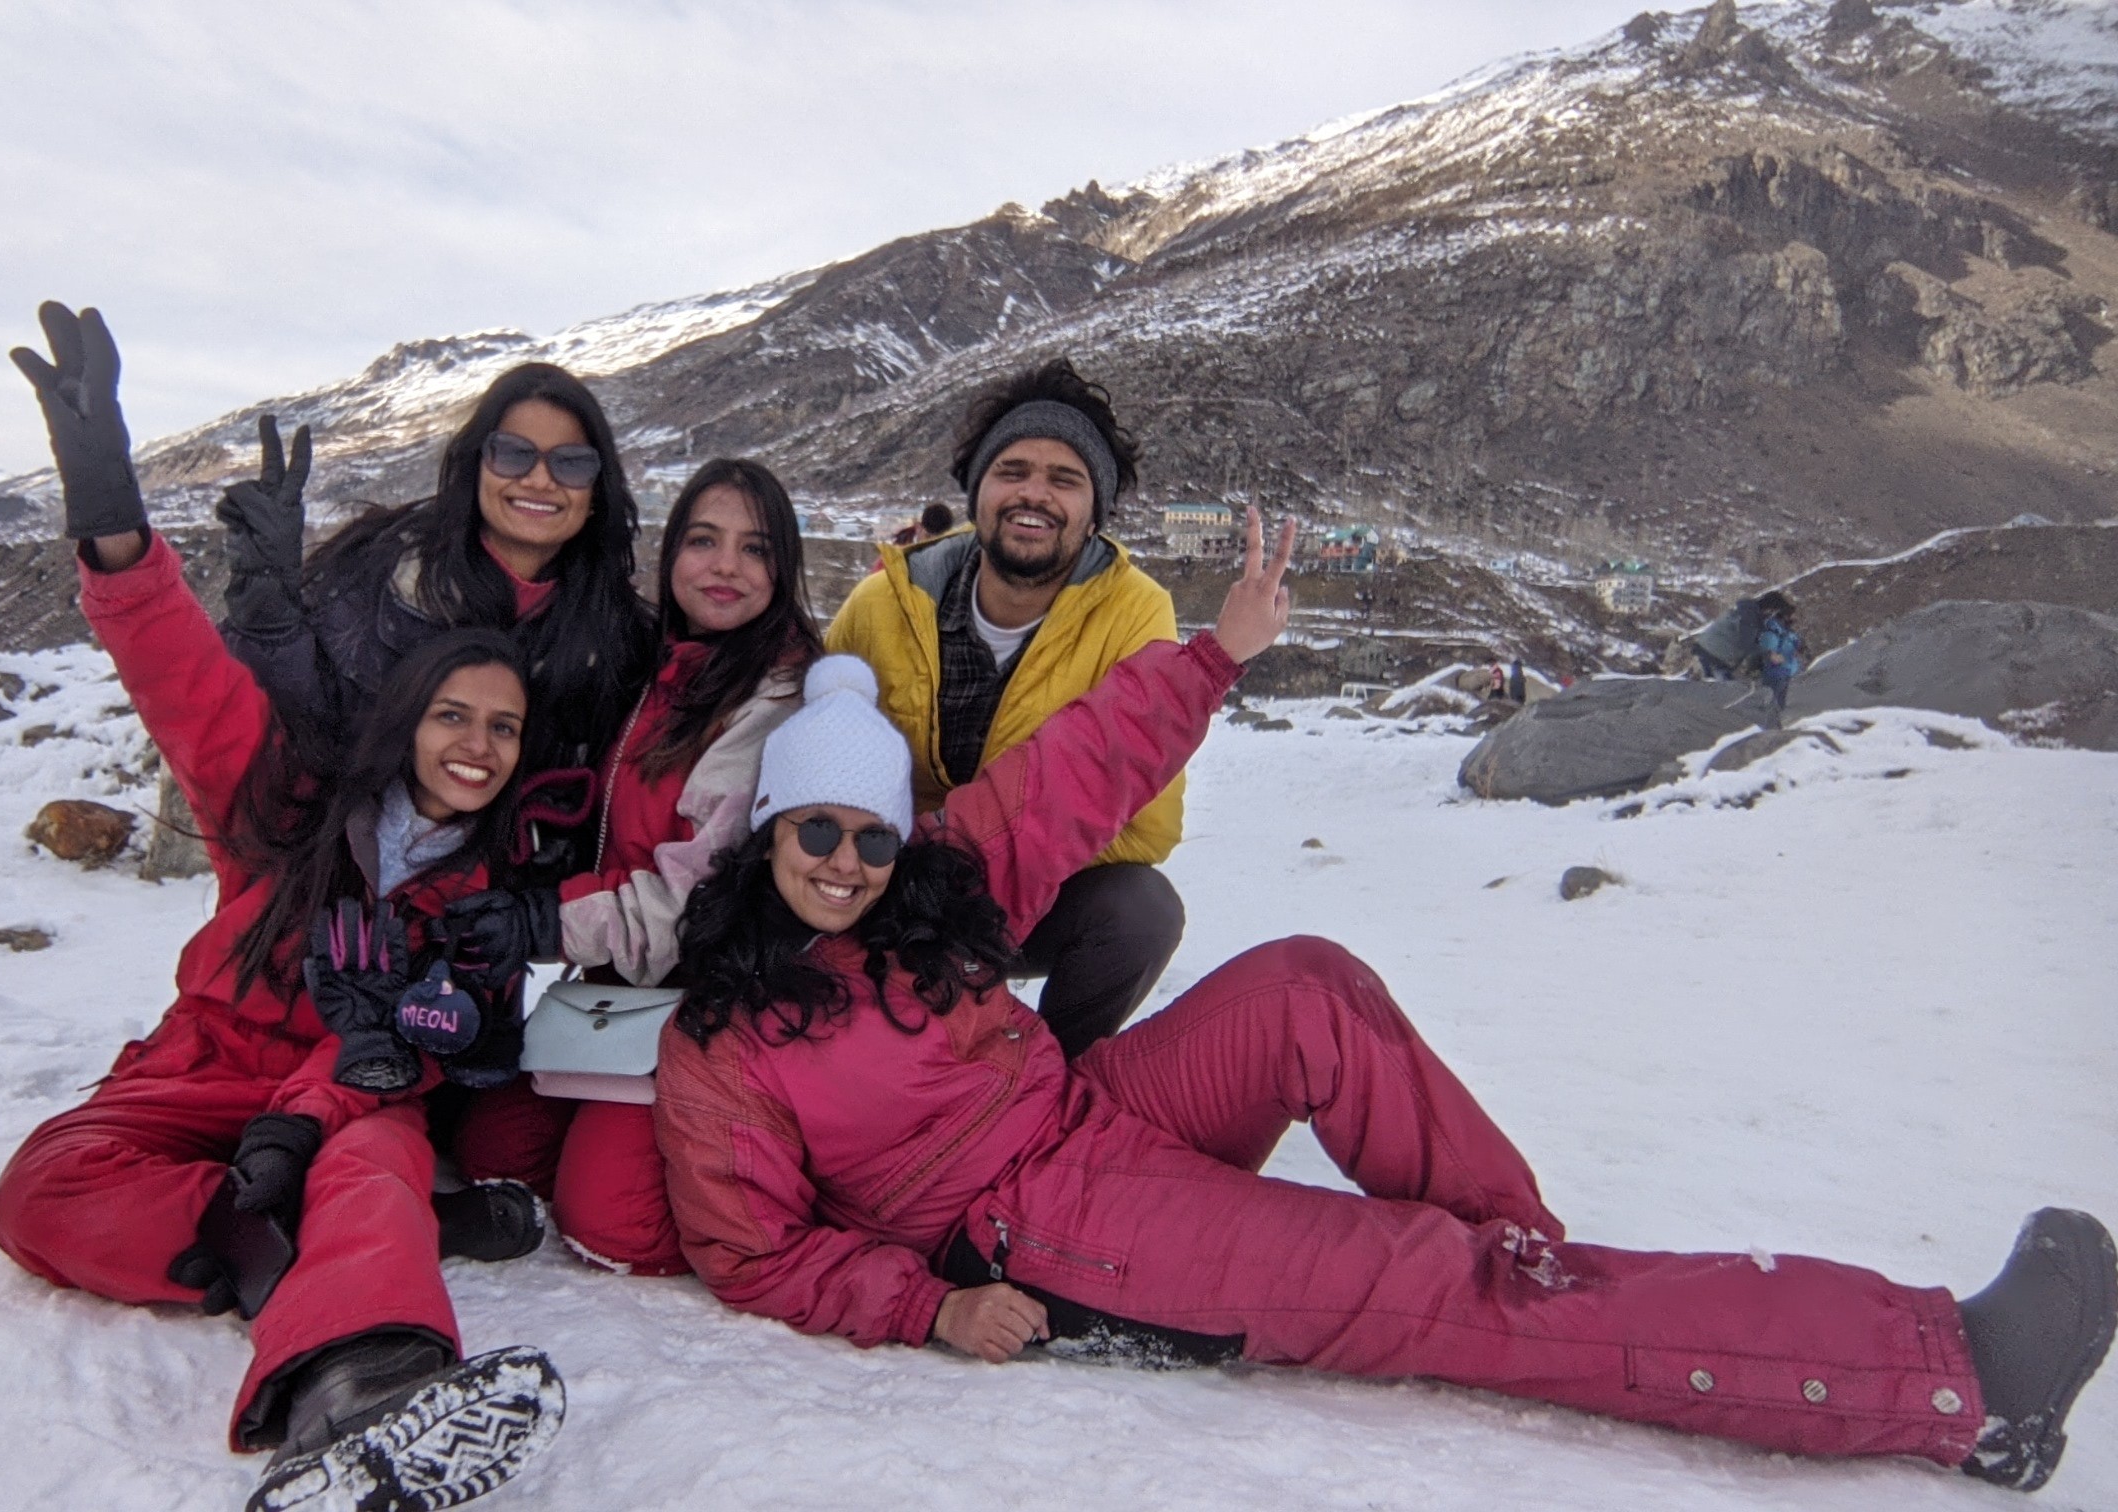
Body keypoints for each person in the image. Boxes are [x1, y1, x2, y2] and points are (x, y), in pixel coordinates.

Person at [655, 504, 2114, 1495]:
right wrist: (931, 1309)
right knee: (1419, 1285)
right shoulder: (721, 1040)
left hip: (1084, 1119)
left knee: (1308, 988)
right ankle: (1954, 1383)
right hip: (1028, 1229)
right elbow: (758, 1258)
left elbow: (1088, 756)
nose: (846, 863)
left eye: (867, 833)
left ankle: (1527, 1269)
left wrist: (1219, 650)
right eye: (815, 835)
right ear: (769, 838)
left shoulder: (943, 877)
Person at [0, 303, 565, 1512]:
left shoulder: (487, 895)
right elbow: (180, 680)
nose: (476, 745)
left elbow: (420, 1051)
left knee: (369, 1161)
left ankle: (366, 1385)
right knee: (42, 1191)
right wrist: (111, 526)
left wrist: (305, 1123)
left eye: (503, 728)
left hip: (352, 1093)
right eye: (454, 715)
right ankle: (311, 1244)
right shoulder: (287, 801)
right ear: (407, 717)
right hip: (202, 1068)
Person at [438, 458, 821, 1275]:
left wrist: (548, 921)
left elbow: (701, 893)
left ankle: (760, 1149)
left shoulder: (776, 702)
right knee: (492, 1155)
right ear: (670, 554)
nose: (724, 567)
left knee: (615, 1225)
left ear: (784, 570)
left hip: (712, 994)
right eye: (703, 541)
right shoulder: (655, 671)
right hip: (619, 985)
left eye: (754, 550)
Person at [825, 358, 1183, 1058]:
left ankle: (1056, 1076)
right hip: (882, 887)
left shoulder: (1136, 614)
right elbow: (813, 765)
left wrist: (979, 849)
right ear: (978, 489)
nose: (1035, 494)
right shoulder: (883, 605)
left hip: (1038, 891)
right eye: (1013, 470)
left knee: (1141, 911)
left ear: (1093, 509)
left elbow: (1148, 824)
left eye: (1064, 478)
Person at [218, 359, 656, 831]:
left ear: (597, 490)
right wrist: (266, 616)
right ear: (476, 466)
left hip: (515, 891)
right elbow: (293, 723)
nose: (540, 480)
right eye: (512, 454)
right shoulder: (381, 574)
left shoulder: (620, 636)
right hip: (352, 865)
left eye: (571, 463)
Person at [1757, 590, 1805, 714]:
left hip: (1786, 673)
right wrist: (1774, 657)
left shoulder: (1786, 632)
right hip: (1776, 674)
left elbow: (1796, 644)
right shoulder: (1773, 630)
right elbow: (1768, 651)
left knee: (1780, 704)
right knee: (1775, 705)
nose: (1793, 618)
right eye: (1790, 614)